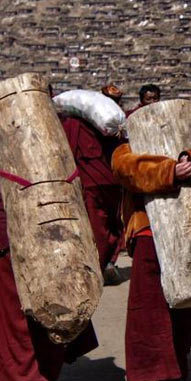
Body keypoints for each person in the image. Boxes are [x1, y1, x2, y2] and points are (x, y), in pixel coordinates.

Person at [0, 143, 99, 381]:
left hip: (11, 243)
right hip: (57, 236)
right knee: (50, 307)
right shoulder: (53, 134)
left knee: (17, 321)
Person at [111, 137, 191, 381]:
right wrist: (169, 171)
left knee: (185, 309)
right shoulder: (128, 146)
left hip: (190, 226)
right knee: (152, 309)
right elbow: (124, 169)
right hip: (149, 230)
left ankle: (178, 377)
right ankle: (172, 379)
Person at [61, 113, 123, 282]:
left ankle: (99, 265)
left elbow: (67, 152)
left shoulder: (72, 124)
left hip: (92, 183)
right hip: (111, 180)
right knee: (110, 224)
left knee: (97, 226)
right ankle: (107, 262)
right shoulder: (109, 126)